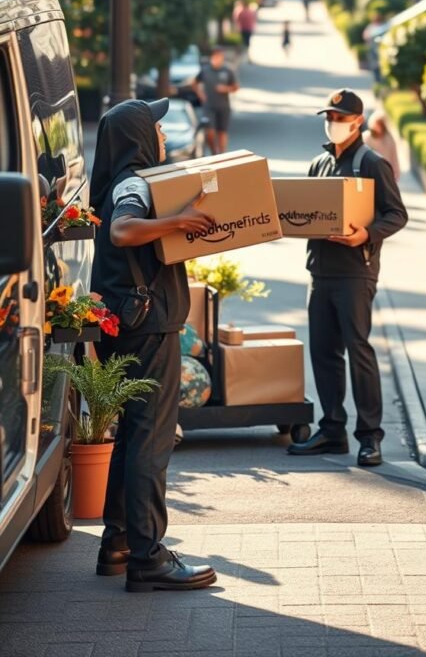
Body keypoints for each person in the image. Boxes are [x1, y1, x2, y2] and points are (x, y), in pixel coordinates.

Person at [90, 98, 217, 591]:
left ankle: (118, 543)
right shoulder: (135, 183)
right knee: (151, 438)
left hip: (128, 322)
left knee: (132, 434)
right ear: (139, 136)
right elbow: (124, 231)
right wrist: (178, 222)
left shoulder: (120, 181)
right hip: (148, 326)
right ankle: (149, 558)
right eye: (157, 127)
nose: (163, 135)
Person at [287, 88, 408, 467]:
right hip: (320, 272)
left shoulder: (372, 163)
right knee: (323, 353)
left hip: (356, 273)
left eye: (340, 118)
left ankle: (370, 437)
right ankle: (333, 430)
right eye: (329, 117)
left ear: (357, 121)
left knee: (359, 351)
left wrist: (365, 235)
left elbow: (397, 214)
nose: (333, 123)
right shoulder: (318, 164)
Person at [194, 46, 239, 155]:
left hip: (223, 106)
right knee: (209, 131)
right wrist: (201, 95)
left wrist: (226, 89)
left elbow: (235, 86)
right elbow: (194, 83)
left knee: (222, 132)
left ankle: (222, 154)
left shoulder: (227, 70)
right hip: (209, 106)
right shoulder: (205, 70)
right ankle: (214, 152)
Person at [363, 109, 400, 180]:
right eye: (377, 124)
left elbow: (394, 157)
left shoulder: (389, 139)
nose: (378, 127)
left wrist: (396, 173)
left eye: (380, 124)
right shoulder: (366, 137)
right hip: (369, 173)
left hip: (385, 173)